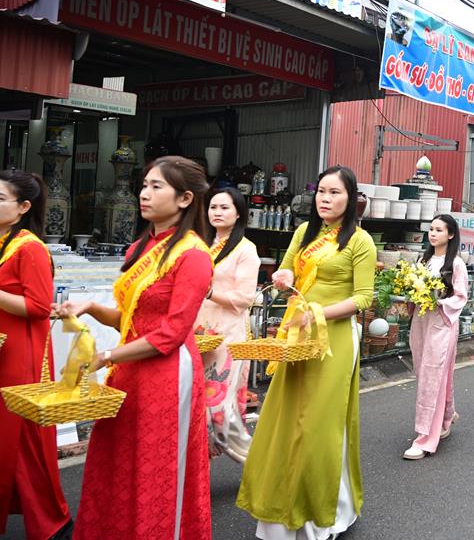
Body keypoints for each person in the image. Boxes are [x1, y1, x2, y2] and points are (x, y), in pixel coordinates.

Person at [59, 156, 214, 540]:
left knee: (157, 468)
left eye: (156, 186)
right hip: (128, 368)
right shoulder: (140, 249)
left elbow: (171, 334)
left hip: (167, 377)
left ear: (184, 199)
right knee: (117, 462)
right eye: (144, 185)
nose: (145, 193)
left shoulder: (194, 256)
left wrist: (107, 356)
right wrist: (90, 307)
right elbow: (129, 320)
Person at [237, 166, 375, 538]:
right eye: (321, 192)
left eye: (335, 193)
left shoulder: (360, 241)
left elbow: (364, 298)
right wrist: (282, 280)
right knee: (285, 423)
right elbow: (285, 278)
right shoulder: (304, 233)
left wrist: (317, 313)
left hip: (335, 341)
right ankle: (280, 512)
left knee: (319, 427)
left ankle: (323, 515)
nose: (325, 199)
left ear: (351, 198)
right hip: (296, 336)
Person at [0, 171, 72, 540]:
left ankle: (52, 520)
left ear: (24, 207)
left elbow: (40, 307)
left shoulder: (30, 248)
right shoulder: (4, 241)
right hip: (4, 347)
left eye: (0, 199)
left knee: (22, 435)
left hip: (20, 352)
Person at [196, 187, 259, 461]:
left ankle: (255, 463)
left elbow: (244, 298)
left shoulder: (246, 250)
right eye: (213, 207)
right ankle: (199, 471)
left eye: (224, 208)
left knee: (219, 406)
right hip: (198, 332)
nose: (217, 212)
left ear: (239, 213)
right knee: (197, 404)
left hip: (227, 334)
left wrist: (208, 292)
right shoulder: (202, 245)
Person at [404, 214, 468, 460]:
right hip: (421, 322)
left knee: (434, 375)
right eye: (431, 229)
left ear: (450, 235)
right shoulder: (423, 260)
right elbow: (412, 290)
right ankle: (446, 415)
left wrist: (439, 302)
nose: (433, 233)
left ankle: (424, 438)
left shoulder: (457, 264)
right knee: (425, 373)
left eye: (439, 230)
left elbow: (460, 297)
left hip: (442, 323)